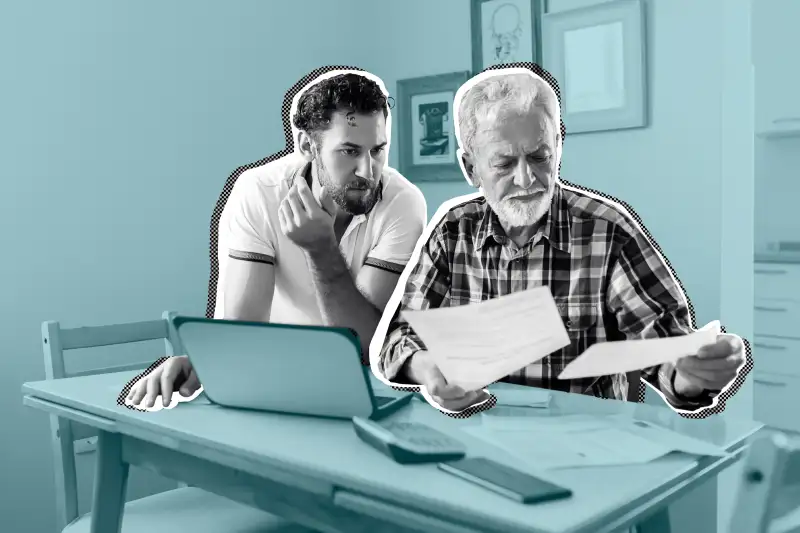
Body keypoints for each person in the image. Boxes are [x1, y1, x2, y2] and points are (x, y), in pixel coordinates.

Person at [375, 67, 745, 414]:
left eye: (540, 157)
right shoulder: (452, 231)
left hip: (585, 455)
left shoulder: (608, 230)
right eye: (504, 164)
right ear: (471, 168)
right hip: (475, 441)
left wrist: (692, 375)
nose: (527, 179)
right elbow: (398, 339)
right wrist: (426, 369)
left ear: (559, 146)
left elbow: (664, 344)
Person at [127, 70, 427, 409]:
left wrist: (321, 250)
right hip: (272, 385)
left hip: (363, 393)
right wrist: (204, 364)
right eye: (349, 151)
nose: (368, 170)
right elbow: (241, 336)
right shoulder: (258, 193)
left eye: (378, 150)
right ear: (306, 146)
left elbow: (367, 349)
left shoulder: (403, 202)